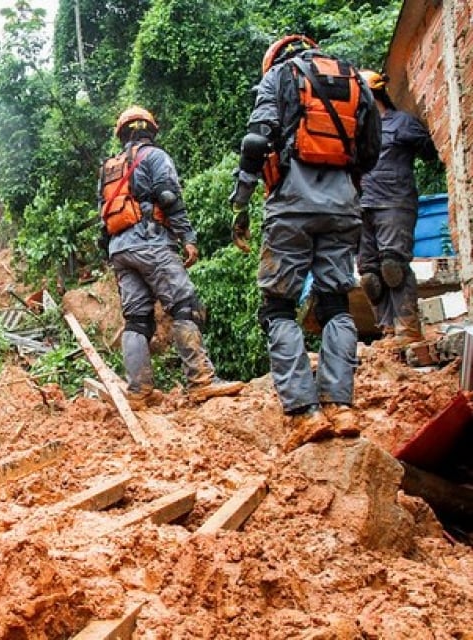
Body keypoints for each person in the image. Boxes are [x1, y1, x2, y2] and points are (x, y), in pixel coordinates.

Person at [228, 35, 381, 450]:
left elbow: (257, 141)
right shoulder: (355, 79)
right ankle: (341, 406)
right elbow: (370, 151)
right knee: (335, 302)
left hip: (291, 207)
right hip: (343, 206)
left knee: (278, 305)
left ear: (275, 60)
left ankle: (303, 412)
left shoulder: (280, 76)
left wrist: (240, 202)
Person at [98, 105, 244, 408]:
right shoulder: (155, 156)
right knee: (185, 306)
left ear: (122, 134)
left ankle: (139, 391)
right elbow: (168, 197)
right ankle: (201, 381)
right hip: (150, 240)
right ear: (150, 130)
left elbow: (104, 216)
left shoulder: (109, 168)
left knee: (137, 320)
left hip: (120, 249)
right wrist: (187, 238)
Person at [356, 69, 439, 347]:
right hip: (361, 207)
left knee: (393, 266)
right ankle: (388, 332)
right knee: (369, 274)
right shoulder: (354, 133)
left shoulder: (402, 122)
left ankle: (408, 330)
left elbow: (431, 154)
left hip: (394, 202)